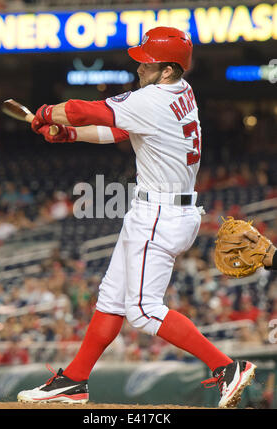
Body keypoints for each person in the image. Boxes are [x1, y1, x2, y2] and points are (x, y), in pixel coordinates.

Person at [17, 27, 256, 408]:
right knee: (111, 300)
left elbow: (82, 109)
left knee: (143, 312)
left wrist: (49, 114)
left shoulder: (154, 98)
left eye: (147, 62)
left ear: (167, 70)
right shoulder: (182, 92)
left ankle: (227, 366)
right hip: (161, 208)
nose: (139, 66)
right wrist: (69, 135)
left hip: (160, 214)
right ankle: (74, 381)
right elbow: (118, 130)